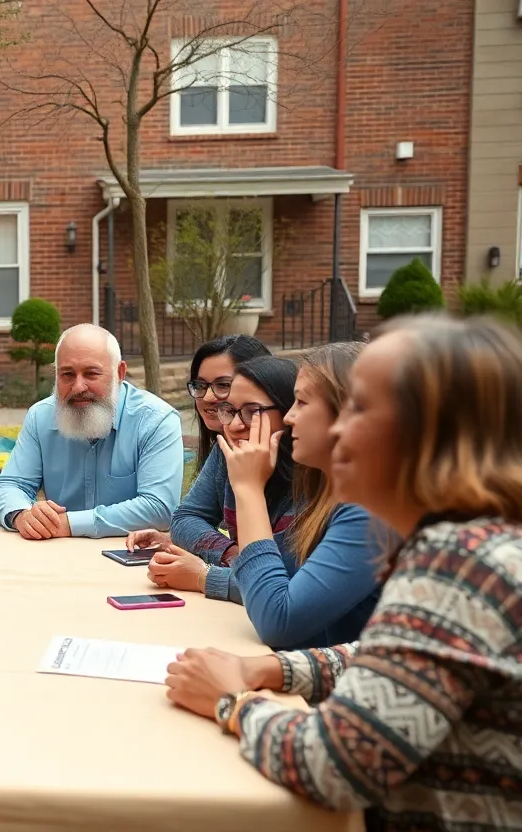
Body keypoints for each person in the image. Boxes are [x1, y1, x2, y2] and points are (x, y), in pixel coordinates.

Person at [165, 314, 522, 831]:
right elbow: (395, 655)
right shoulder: (471, 543)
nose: (289, 422)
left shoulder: (458, 564)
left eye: (356, 408)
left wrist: (231, 703)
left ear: (424, 431)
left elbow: (336, 764)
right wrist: (277, 671)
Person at [184, 343, 381, 649]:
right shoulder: (326, 492)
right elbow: (274, 576)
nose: (290, 417)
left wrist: (248, 491)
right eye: (230, 410)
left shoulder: (368, 510)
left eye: (301, 402)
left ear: (348, 413)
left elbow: (277, 618)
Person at [0, 323, 184, 539]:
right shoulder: (41, 417)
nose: (78, 387)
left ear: (119, 373)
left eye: (91, 374)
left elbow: (159, 508)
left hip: (130, 556)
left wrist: (70, 524)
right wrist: (21, 515)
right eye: (67, 374)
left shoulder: (156, 420)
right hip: (58, 554)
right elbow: (9, 485)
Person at [144, 355, 298, 603]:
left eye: (252, 412)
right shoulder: (230, 451)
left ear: (289, 414)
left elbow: (284, 588)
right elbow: (185, 519)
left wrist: (203, 577)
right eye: (229, 411)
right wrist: (233, 554)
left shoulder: (311, 481)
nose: (235, 425)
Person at [186, 335, 271, 465]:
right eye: (200, 385)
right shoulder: (221, 450)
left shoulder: (286, 463)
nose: (207, 397)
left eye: (223, 385)